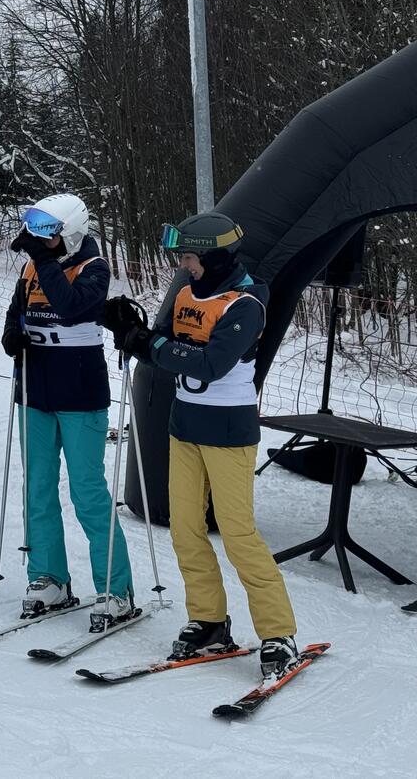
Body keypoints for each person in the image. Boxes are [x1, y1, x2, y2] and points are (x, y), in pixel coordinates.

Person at [103, 210, 300, 677]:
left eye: (189, 256)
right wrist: (133, 334)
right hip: (184, 426)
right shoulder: (188, 293)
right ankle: (209, 621)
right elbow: (169, 341)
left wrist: (150, 347)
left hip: (229, 433)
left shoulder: (247, 303)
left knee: (238, 534)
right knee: (185, 528)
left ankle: (279, 633)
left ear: (212, 257)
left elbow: (209, 364)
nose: (184, 265)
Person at [3, 194, 135, 629]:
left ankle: (116, 589)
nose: (40, 240)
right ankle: (49, 577)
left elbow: (71, 305)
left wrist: (41, 260)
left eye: (49, 232)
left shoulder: (95, 269)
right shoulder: (31, 267)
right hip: (35, 389)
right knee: (37, 487)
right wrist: (12, 335)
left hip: (79, 392)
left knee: (87, 493)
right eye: (37, 231)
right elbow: (17, 310)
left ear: (72, 233)